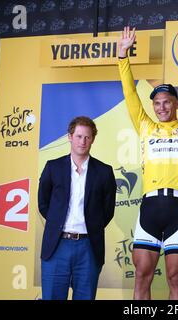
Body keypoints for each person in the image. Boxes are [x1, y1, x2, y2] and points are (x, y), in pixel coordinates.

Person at [117, 24, 178, 300]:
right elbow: (130, 96)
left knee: (176, 278)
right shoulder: (146, 127)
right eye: (157, 103)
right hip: (149, 207)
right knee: (142, 277)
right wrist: (122, 59)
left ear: (175, 104)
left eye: (167, 102)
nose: (161, 107)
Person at [38, 116, 116, 300]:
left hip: (89, 246)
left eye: (87, 137)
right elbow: (43, 203)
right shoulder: (53, 167)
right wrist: (56, 223)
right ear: (70, 137)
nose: (83, 141)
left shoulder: (104, 172)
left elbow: (108, 210)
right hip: (57, 245)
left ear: (93, 139)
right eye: (79, 136)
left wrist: (91, 227)